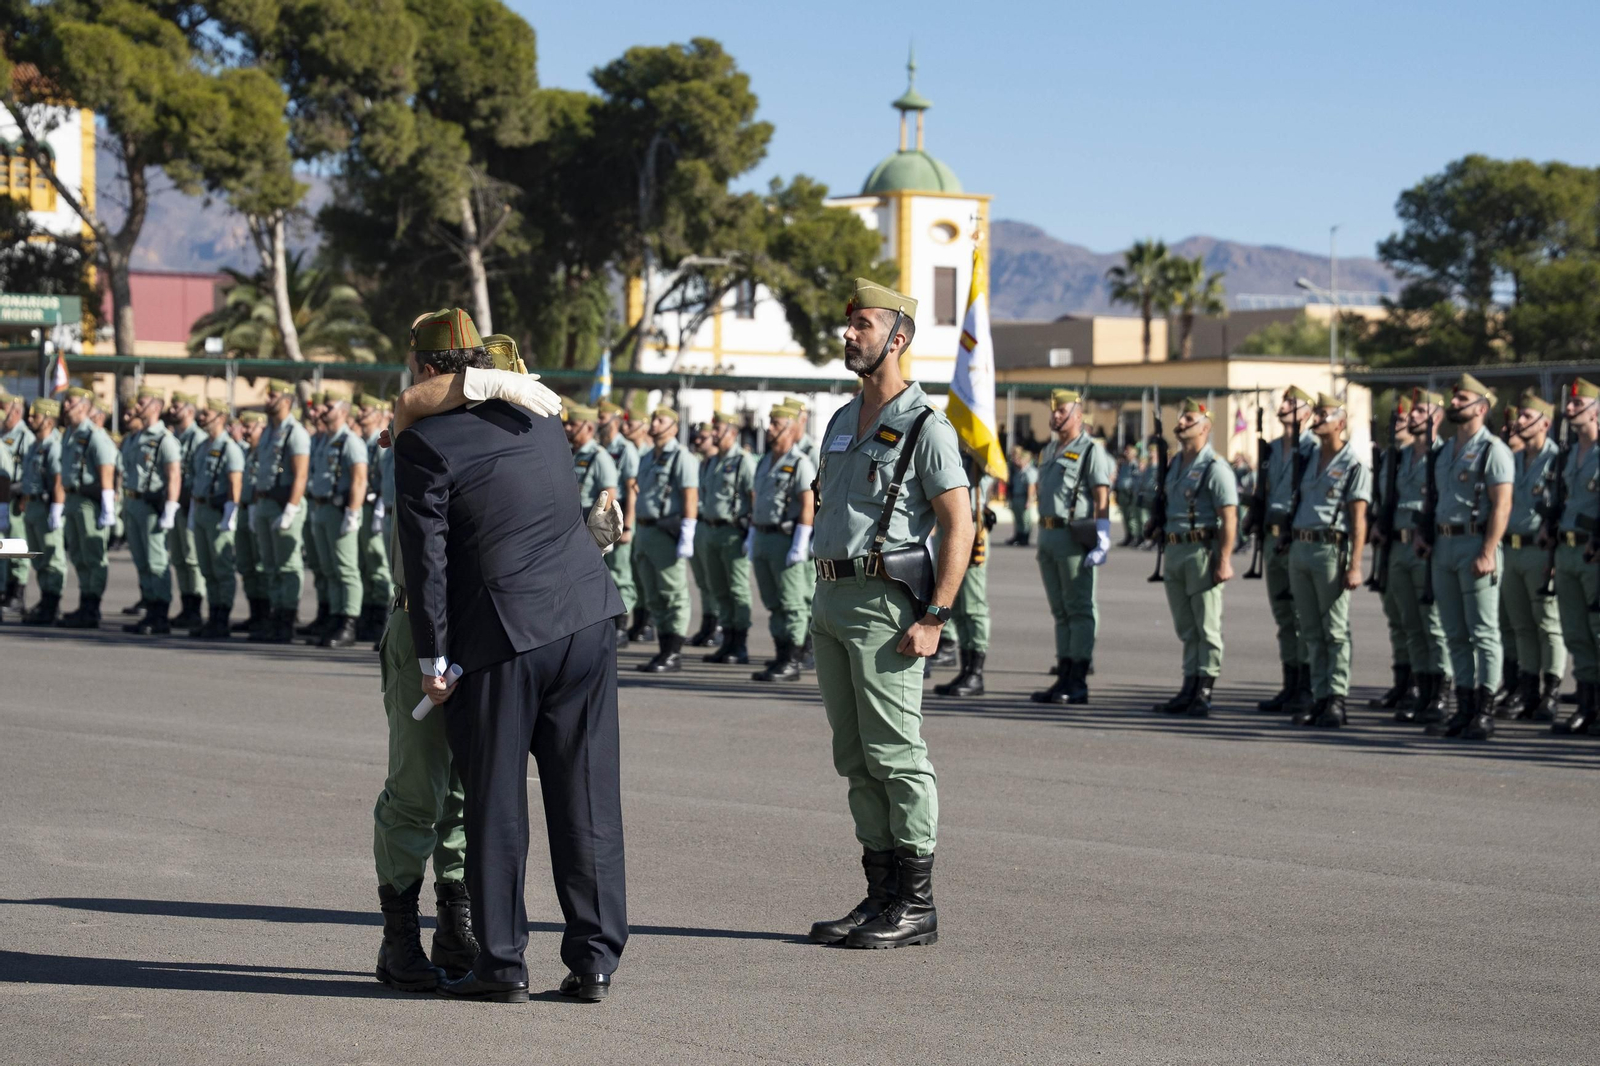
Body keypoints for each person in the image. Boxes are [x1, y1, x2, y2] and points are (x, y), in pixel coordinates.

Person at [393, 307, 627, 1004]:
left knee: (495, 804)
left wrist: (432, 661)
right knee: (588, 798)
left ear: (425, 368)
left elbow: (427, 564)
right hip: (586, 619)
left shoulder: (423, 442)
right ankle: (595, 962)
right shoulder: (539, 419)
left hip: (502, 638)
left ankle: (500, 963)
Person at [806, 278, 971, 951]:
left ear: (898, 338)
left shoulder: (927, 427)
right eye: (849, 325)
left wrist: (936, 615)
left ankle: (917, 903)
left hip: (884, 606)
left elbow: (959, 524)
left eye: (864, 325)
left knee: (896, 754)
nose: (849, 334)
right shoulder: (842, 420)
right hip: (830, 598)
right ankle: (879, 895)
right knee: (854, 756)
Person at [1422, 374, 1513, 740]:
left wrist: (1488, 551)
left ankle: (1485, 710)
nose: (1454, 403)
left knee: (1483, 632)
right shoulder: (1444, 451)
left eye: (1462, 399)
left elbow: (1502, 505)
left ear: (1481, 408)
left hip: (1475, 544)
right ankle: (1463, 707)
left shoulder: (1493, 450)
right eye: (1454, 398)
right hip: (1444, 545)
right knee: (1455, 633)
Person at [1286, 392, 1371, 728]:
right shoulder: (1307, 458)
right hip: (1301, 547)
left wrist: (1355, 565)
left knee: (1334, 630)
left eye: (1324, 415)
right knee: (1309, 629)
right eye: (1317, 413)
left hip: (1330, 550)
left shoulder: (1353, 465)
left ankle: (1336, 699)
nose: (1317, 419)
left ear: (1340, 423)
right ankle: (1318, 696)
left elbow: (1359, 520)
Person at [1151, 399, 1238, 718]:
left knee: (1207, 625)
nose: (1182, 423)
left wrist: (1224, 559)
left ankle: (1204, 689)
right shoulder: (1174, 464)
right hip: (1174, 550)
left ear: (1205, 427)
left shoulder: (1215, 467)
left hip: (1201, 551)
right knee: (1186, 626)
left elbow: (1229, 517)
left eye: (1189, 419)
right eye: (1181, 418)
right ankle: (1189, 685)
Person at [1030, 388, 1114, 706]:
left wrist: (1103, 536)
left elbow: (1102, 497)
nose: (1055, 415)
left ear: (1078, 416)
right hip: (1048, 535)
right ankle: (1063, 673)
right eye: (1053, 411)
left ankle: (1078, 679)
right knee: (1060, 611)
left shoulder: (1091, 451)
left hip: (1072, 536)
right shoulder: (1049, 450)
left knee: (1079, 609)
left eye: (1061, 411)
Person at [1497, 391, 1565, 721]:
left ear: (1545, 424)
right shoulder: (1512, 459)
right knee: (1521, 624)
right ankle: (1528, 690)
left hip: (1541, 552)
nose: (1518, 422)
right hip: (1511, 550)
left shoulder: (1558, 459)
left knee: (1547, 625)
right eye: (1519, 416)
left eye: (1526, 417)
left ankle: (1551, 692)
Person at [1256, 386, 1319, 715]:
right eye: (1284, 402)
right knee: (1283, 616)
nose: (1284, 406)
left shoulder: (1313, 449)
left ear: (1307, 412)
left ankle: (1307, 686)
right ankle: (1290, 683)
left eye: (1292, 403)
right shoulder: (1270, 448)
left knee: (1302, 615)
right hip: (1271, 537)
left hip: (1296, 537)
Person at [748, 403, 816, 683]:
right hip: (763, 537)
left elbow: (808, 504)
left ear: (789, 428)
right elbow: (757, 500)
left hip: (785, 540)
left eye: (776, 424)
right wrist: (752, 535)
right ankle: (780, 654)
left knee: (792, 603)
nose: (770, 429)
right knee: (773, 602)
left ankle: (793, 658)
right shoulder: (765, 460)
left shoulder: (800, 462)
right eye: (770, 423)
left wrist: (800, 543)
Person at [1547, 378, 1600, 735]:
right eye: (1569, 404)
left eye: (1578, 404)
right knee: (1575, 632)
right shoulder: (1566, 455)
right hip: (1566, 550)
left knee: (1598, 631)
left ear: (1596, 412)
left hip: (1593, 552)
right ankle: (1587, 704)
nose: (1569, 409)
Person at [632, 405, 700, 673]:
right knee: (653, 594)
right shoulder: (648, 456)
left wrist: (688, 533)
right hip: (644, 531)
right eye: (654, 419)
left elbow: (690, 496)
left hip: (665, 532)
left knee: (673, 594)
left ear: (673, 426)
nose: (654, 424)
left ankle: (674, 652)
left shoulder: (681, 457)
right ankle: (663, 650)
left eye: (660, 420)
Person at [305, 391, 369, 649]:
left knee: (346, 569)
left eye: (329, 407)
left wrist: (353, 512)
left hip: (340, 511)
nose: (323, 410)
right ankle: (334, 616)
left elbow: (359, 479)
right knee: (329, 569)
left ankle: (349, 623)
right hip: (322, 508)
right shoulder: (325, 440)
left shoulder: (350, 441)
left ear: (343, 411)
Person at [250, 379, 311, 644]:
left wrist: (291, 509)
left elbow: (300, 475)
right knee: (270, 565)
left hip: (284, 504)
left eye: (272, 395)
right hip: (265, 502)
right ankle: (275, 615)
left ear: (286, 400)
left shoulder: (295, 433)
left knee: (287, 565)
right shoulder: (268, 431)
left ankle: (287, 618)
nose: (267, 400)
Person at [120, 388, 183, 636]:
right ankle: (149, 607)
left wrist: (171, 507)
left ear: (156, 407)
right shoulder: (135, 437)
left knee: (156, 561)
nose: (137, 407)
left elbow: (173, 475)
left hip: (151, 507)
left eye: (142, 403)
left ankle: (160, 613)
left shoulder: (164, 439)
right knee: (141, 560)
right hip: (132, 502)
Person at [698, 409, 757, 665]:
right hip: (711, 530)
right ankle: (727, 640)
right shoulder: (712, 461)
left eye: (718, 429)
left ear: (732, 432)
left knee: (737, 589)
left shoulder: (743, 461)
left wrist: (751, 533)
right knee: (718, 589)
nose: (713, 434)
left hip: (733, 532)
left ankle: (740, 644)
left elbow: (753, 496)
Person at [56, 387, 118, 629]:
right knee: (78, 556)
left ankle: (92, 607)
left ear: (83, 406)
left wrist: (108, 506)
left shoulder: (95, 435)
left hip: (89, 502)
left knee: (93, 556)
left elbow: (107, 470)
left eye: (70, 401)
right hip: (72, 499)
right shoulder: (69, 434)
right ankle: (85, 602)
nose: (65, 405)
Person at [181, 400, 244, 638]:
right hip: (201, 509)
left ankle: (222, 617)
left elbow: (235, 483)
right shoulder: (203, 446)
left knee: (221, 567)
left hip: (219, 513)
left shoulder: (229, 448)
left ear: (220, 418)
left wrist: (231, 514)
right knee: (206, 567)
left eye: (206, 414)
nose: (201, 417)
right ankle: (213, 614)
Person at [1367, 398, 1414, 711]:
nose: (1396, 424)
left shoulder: (1428, 457)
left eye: (1402, 419)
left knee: (1417, 622)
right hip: (1389, 546)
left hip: (1413, 546)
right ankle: (1401, 682)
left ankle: (1421, 685)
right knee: (1396, 619)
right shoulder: (1387, 458)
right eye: (1394, 420)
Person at [933, 460, 994, 699]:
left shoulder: (978, 451)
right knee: (956, 604)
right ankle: (966, 669)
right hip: (947, 526)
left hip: (970, 526)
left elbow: (994, 468)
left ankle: (976, 673)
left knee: (973, 605)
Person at [597, 400, 643, 645]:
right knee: (606, 573)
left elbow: (631, 489)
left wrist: (628, 526)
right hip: (604, 518)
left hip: (621, 514)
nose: (598, 422)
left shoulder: (625, 449)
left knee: (621, 573)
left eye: (602, 418)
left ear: (614, 422)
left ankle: (622, 626)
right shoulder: (601, 447)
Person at [17, 398, 64, 625]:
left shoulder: (53, 446)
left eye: (35, 416)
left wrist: (56, 508)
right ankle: (46, 599)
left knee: (52, 558)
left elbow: (58, 480)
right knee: (39, 559)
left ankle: (52, 604)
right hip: (32, 506)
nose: (30, 419)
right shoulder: (35, 445)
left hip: (45, 507)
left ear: (48, 420)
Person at [165, 391, 208, 631]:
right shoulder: (174, 437)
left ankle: (195, 608)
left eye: (177, 406)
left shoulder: (198, 438)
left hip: (190, 502)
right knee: (179, 558)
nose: (172, 410)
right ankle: (186, 604)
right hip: (176, 502)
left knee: (192, 559)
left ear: (190, 411)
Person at [355, 395, 394, 643]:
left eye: (365, 410)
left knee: (383, 569)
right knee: (370, 565)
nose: (360, 414)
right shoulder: (377, 442)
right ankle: (370, 618)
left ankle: (382, 621)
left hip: (387, 510)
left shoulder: (391, 442)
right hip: (378, 509)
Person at [686, 422, 724, 649]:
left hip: (713, 525)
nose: (697, 441)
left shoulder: (722, 463)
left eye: (703, 437)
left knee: (714, 581)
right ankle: (707, 624)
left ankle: (717, 626)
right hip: (699, 524)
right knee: (702, 581)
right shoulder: (702, 463)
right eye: (696, 437)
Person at [232, 411, 270, 635]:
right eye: (243, 427)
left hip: (258, 508)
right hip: (245, 509)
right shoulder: (246, 452)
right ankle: (255, 613)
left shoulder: (265, 453)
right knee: (246, 565)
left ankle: (266, 615)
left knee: (261, 565)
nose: (245, 431)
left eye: (250, 427)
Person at [0, 390, 35, 616]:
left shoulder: (25, 437)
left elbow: (31, 471)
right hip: (3, 496)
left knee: (17, 545)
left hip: (16, 497)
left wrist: (23, 494)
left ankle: (18, 593)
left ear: (16, 411)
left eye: (4, 409)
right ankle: (7, 589)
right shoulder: (3, 434)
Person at [1006, 445, 1037, 546]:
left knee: (1025, 520)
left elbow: (1031, 487)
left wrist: (1029, 500)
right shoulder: (1017, 471)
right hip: (1016, 497)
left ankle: (1025, 538)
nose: (1018, 461)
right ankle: (1018, 536)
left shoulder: (1029, 471)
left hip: (1024, 498)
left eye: (1020, 459)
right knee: (1018, 518)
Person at [1113, 442, 1142, 547]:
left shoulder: (1135, 465)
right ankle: (1128, 536)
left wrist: (1133, 492)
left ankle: (1135, 536)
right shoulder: (1123, 464)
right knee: (1125, 516)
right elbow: (1119, 477)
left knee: (1132, 516)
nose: (1126, 453)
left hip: (1130, 493)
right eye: (1126, 451)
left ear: (1134, 452)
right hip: (1122, 493)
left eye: (1128, 451)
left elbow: (1137, 479)